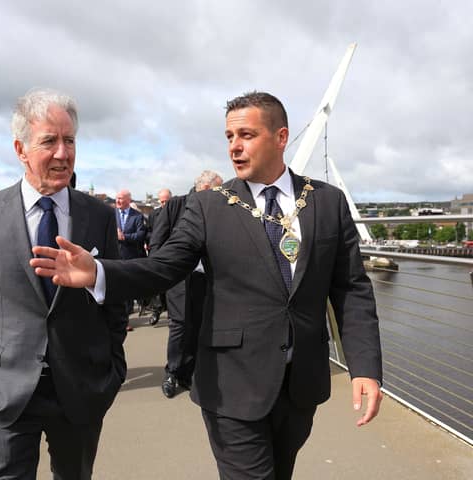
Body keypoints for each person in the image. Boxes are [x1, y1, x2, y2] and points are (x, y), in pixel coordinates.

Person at [31, 91, 384, 479]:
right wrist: (100, 273)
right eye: (229, 137)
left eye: (246, 135)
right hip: (230, 383)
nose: (234, 147)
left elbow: (351, 289)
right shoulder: (209, 206)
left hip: (301, 382)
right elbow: (165, 267)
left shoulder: (327, 203)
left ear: (281, 137)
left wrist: (364, 368)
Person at [0, 88, 128, 480]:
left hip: (81, 388)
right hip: (2, 391)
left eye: (70, 141)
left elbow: (115, 299)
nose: (63, 153)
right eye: (50, 141)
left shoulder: (98, 216)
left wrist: (112, 370)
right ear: (21, 149)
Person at [150, 171, 222, 398]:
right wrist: (161, 273)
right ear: (205, 188)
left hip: (204, 278)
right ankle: (172, 372)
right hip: (179, 277)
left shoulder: (217, 208)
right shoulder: (175, 206)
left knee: (198, 325)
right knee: (180, 325)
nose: (221, 195)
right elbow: (157, 242)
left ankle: (188, 373)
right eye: (217, 190)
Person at [114, 188, 147, 330]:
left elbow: (140, 236)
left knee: (126, 289)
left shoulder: (137, 216)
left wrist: (124, 237)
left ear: (128, 200)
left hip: (130, 257)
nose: (118, 201)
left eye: (121, 198)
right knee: (115, 289)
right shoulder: (110, 214)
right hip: (114, 256)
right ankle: (117, 318)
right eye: (117, 198)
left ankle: (125, 320)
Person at [142, 188, 172, 325]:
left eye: (167, 201)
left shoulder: (179, 212)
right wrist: (155, 237)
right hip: (157, 251)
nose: (164, 204)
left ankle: (172, 311)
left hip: (173, 250)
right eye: (162, 201)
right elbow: (147, 232)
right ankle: (156, 310)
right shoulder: (154, 214)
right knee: (155, 281)